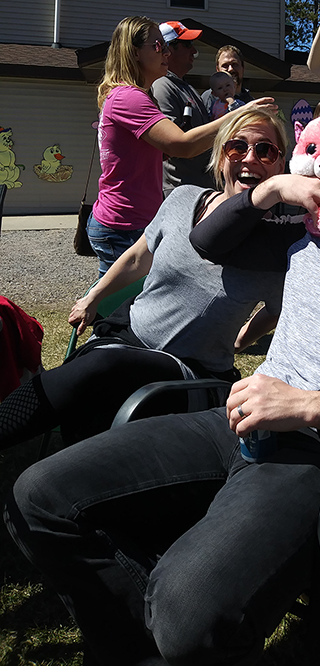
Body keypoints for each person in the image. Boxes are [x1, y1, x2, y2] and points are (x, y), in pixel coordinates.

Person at [5, 98, 320, 666]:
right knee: (39, 497)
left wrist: (306, 405)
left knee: (188, 613)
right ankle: (152, 644)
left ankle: (171, 634)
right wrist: (273, 189)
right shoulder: (312, 234)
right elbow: (207, 242)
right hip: (235, 422)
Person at [0, 108, 289, 450]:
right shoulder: (183, 199)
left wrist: (240, 341)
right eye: (237, 147)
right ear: (220, 156)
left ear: (280, 166)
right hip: (126, 337)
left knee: (104, 368)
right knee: (98, 382)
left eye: (265, 150)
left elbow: (277, 309)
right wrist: (93, 297)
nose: (250, 158)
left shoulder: (277, 250)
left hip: (190, 373)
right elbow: (139, 256)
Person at [88, 16, 275, 276]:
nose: (165, 52)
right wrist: (238, 115)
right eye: (157, 46)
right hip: (124, 223)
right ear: (134, 52)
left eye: (165, 46)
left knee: (122, 298)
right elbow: (181, 146)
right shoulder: (129, 97)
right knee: (121, 301)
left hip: (132, 219)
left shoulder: (135, 95)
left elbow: (165, 150)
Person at [151, 21, 213, 197]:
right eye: (187, 44)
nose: (194, 51)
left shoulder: (186, 87)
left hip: (198, 190)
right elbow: (172, 146)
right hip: (180, 193)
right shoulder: (162, 86)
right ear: (168, 49)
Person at [202, 44, 253, 109]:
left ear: (243, 68)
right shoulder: (209, 98)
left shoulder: (251, 103)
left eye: (234, 64)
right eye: (225, 65)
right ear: (218, 70)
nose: (230, 69)